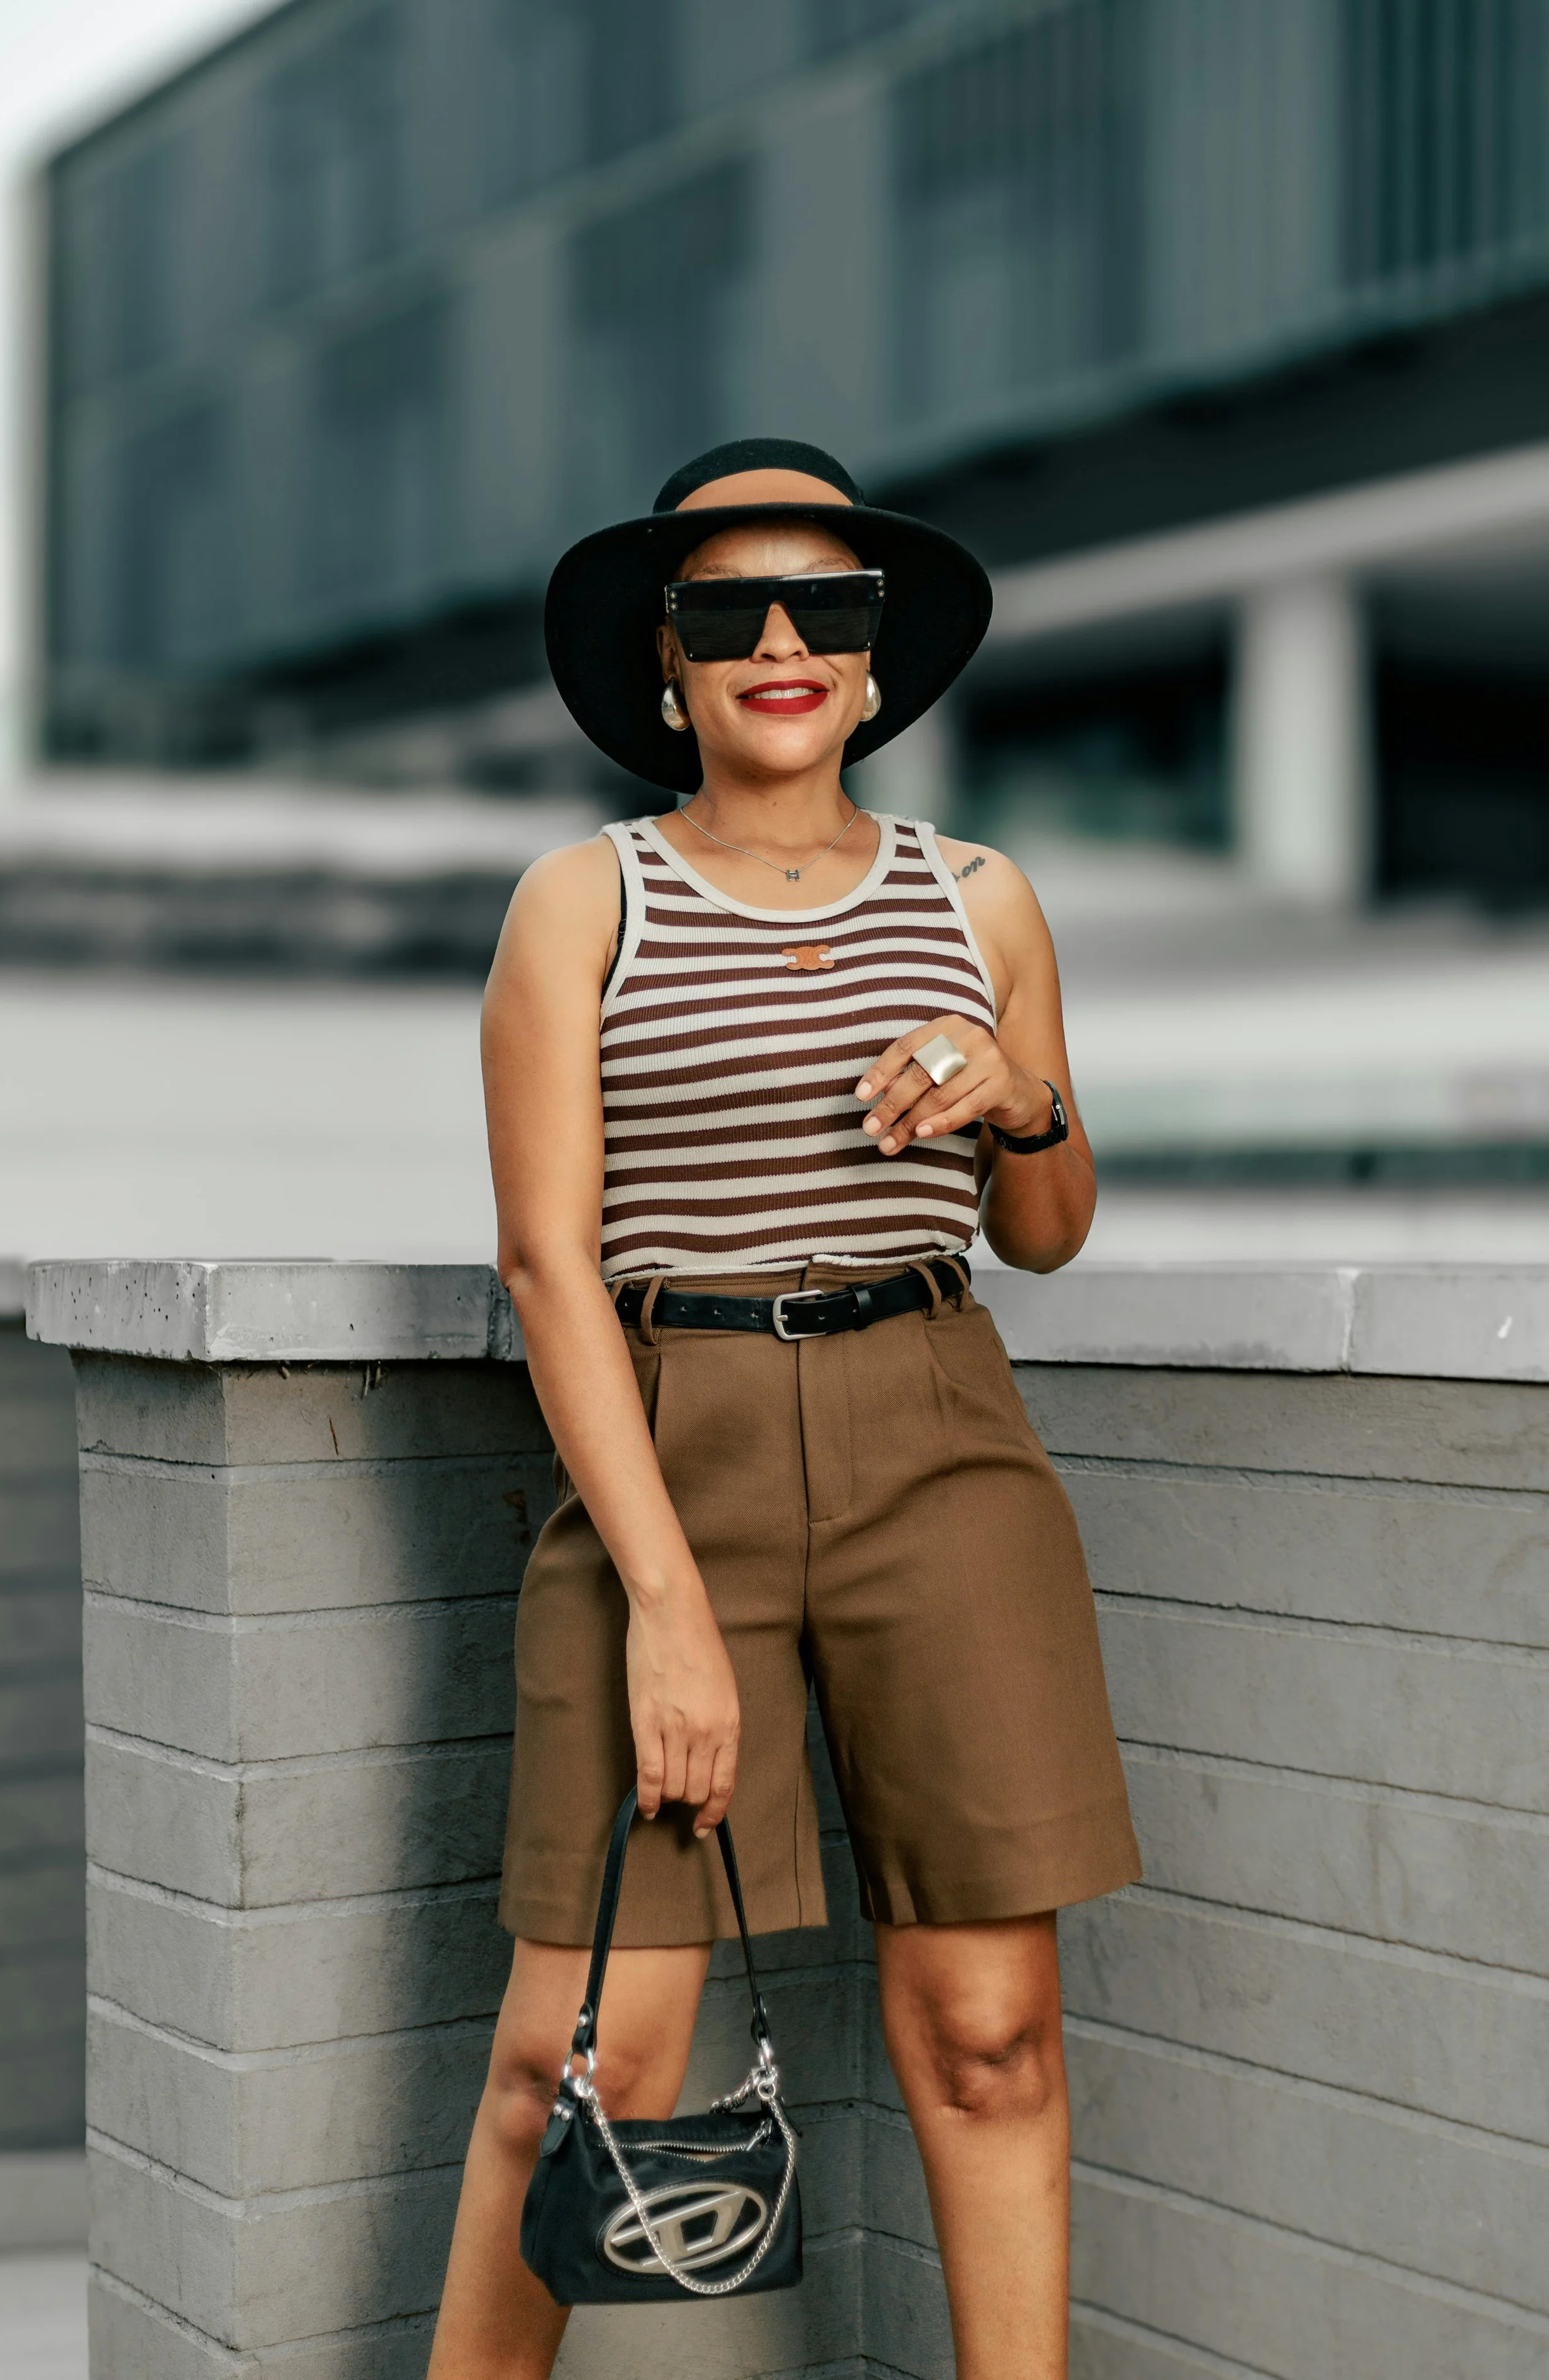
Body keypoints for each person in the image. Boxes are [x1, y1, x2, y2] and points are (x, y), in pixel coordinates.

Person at [426, 439, 1139, 2380]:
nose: (776, 642)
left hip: (941, 1441)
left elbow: (1052, 1230)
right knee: (579, 2050)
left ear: (874, 658)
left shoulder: (981, 896)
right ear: (664, 662)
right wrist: (663, 1598)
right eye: (724, 609)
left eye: (822, 608)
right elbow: (547, 1263)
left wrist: (1021, 1095)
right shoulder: (582, 901)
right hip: (675, 1445)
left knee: (989, 2029)